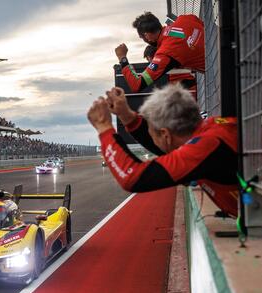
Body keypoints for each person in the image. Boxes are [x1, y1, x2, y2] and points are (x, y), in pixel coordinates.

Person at [88, 84, 239, 215]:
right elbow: (165, 146)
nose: (151, 138)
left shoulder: (204, 146)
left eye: (152, 133)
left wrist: (104, 128)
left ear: (165, 134)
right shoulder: (211, 130)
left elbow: (132, 178)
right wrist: (127, 116)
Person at [115, 12, 204, 94]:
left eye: (142, 38)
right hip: (216, 47)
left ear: (147, 35)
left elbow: (137, 85)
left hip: (215, 69)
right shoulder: (185, 18)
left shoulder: (165, 53)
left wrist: (122, 58)